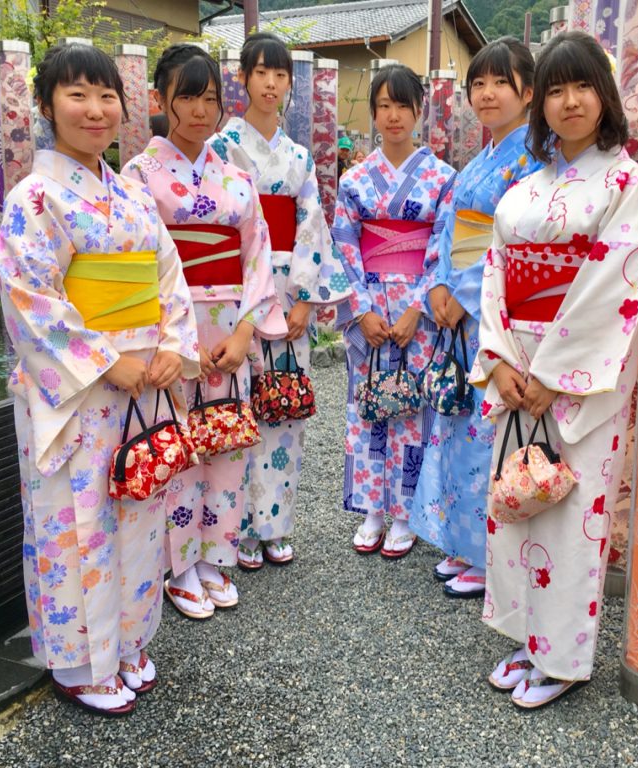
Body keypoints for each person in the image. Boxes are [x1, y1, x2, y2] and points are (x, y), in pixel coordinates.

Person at [0, 43, 200, 716]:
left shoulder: (131, 194)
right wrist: (111, 361)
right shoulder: (33, 198)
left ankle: (129, 642)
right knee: (76, 521)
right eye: (76, 94)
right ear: (47, 104)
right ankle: (81, 661)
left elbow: (168, 277)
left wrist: (170, 346)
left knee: (138, 512)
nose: (94, 109)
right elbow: (30, 297)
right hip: (80, 388)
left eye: (106, 95)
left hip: (142, 383)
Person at [473, 31, 638, 709]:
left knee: (572, 512)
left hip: (576, 376)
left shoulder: (624, 181)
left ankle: (564, 658)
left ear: (604, 96)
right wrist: (499, 362)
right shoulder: (527, 188)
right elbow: (495, 275)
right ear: (540, 104)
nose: (570, 101)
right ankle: (529, 638)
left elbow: (615, 282)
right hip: (520, 367)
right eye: (555, 89)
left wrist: (553, 374)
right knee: (521, 499)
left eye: (583, 86)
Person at [123, 44, 286, 619]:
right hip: (171, 329)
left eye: (210, 98)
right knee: (179, 445)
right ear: (160, 98)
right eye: (187, 96)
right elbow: (138, 265)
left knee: (225, 443)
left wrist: (245, 334)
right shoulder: (138, 176)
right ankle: (179, 565)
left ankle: (216, 555)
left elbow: (257, 258)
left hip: (227, 327)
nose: (199, 110)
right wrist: (172, 338)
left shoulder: (236, 178)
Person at [211, 32, 352, 569]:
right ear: (243, 78)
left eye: (279, 74)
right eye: (261, 72)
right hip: (237, 288)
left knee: (283, 408)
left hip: (289, 287)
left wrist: (306, 301)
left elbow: (312, 224)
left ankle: (275, 525)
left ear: (290, 83)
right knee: (238, 404)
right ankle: (240, 527)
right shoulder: (222, 147)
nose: (270, 83)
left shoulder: (298, 157)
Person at [410, 37, 543, 599]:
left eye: (500, 83)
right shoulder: (479, 161)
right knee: (457, 425)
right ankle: (464, 543)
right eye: (478, 84)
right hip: (459, 310)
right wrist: (438, 286)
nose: (487, 94)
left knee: (488, 432)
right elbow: (448, 230)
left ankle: (492, 557)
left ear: (528, 92)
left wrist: (463, 293)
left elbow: (510, 241)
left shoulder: (534, 159)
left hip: (494, 309)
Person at [332, 63, 455, 559]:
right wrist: (359, 310)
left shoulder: (443, 178)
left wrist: (417, 310)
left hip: (415, 312)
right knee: (367, 404)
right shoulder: (355, 180)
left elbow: (444, 247)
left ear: (419, 110)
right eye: (383, 106)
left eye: (403, 105)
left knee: (413, 408)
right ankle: (372, 509)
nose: (393, 116)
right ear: (373, 113)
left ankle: (405, 512)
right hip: (370, 304)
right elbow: (343, 246)